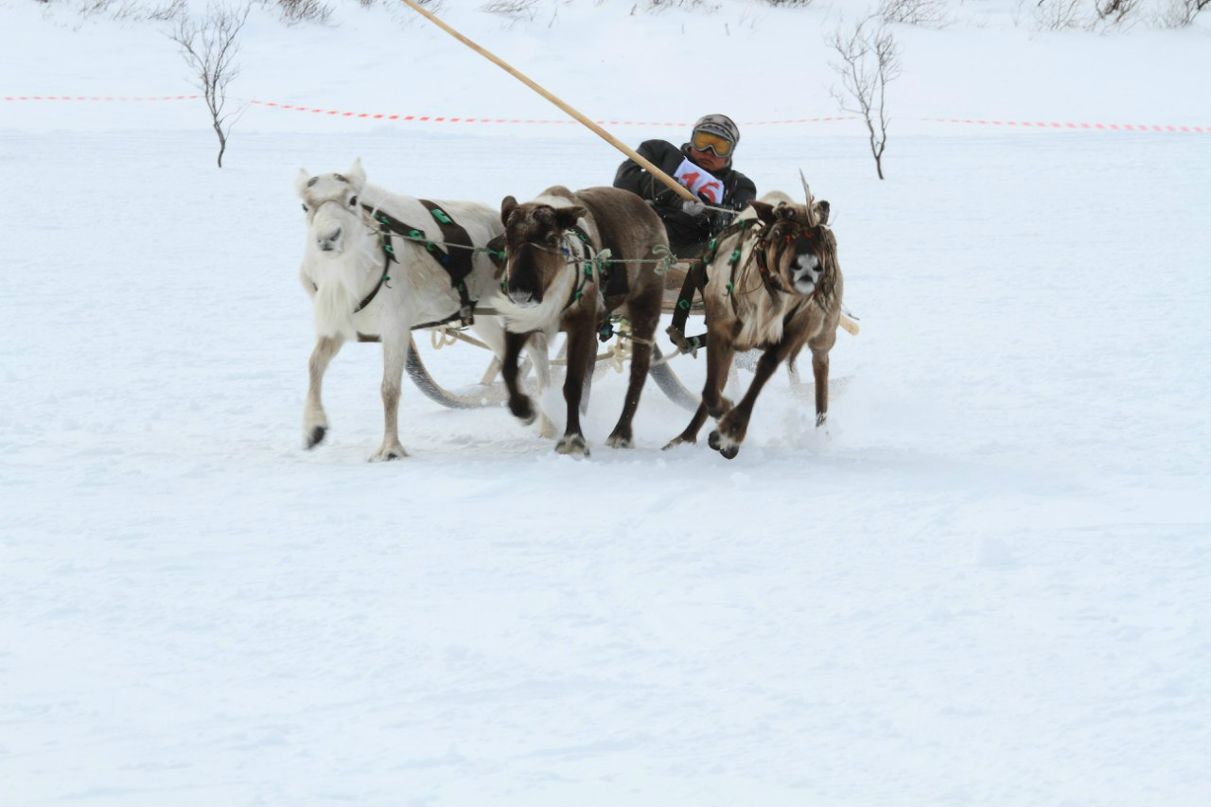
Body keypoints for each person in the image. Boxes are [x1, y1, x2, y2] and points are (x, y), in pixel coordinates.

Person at [613, 113, 757, 259]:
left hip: (693, 255)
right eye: (703, 141)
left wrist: (708, 214)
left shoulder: (740, 186)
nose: (709, 151)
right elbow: (623, 179)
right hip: (642, 234)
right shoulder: (661, 152)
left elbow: (740, 230)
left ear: (729, 153)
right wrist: (664, 190)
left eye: (720, 147)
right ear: (692, 139)